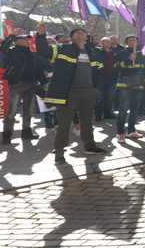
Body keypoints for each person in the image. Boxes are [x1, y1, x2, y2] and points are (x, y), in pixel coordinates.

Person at [35, 22, 107, 164]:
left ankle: (90, 147)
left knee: (87, 122)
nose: (80, 33)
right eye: (77, 32)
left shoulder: (93, 52)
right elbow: (44, 51)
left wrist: (96, 88)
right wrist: (41, 35)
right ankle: (59, 153)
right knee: (64, 124)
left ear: (87, 36)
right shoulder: (63, 48)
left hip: (88, 91)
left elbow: (99, 71)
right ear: (71, 37)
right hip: (68, 92)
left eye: (83, 31)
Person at [0, 33, 42, 144]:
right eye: (24, 38)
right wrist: (12, 35)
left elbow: (37, 68)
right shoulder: (12, 51)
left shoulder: (32, 53)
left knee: (28, 111)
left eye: (28, 39)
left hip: (31, 85)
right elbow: (2, 47)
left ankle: (26, 131)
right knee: (12, 111)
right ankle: (7, 135)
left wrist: (42, 82)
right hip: (16, 84)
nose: (28, 40)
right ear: (16, 41)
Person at [114, 35, 145, 143]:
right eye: (129, 41)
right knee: (123, 109)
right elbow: (117, 68)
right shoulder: (121, 53)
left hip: (139, 86)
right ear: (126, 43)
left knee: (135, 110)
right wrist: (128, 60)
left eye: (134, 40)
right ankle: (120, 133)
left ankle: (131, 131)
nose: (132, 42)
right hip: (125, 85)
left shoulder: (143, 55)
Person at [93, 37, 119, 120]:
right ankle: (98, 114)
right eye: (106, 42)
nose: (108, 43)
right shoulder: (97, 51)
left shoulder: (113, 53)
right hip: (100, 78)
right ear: (101, 43)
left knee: (109, 96)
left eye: (109, 42)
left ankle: (107, 113)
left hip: (111, 78)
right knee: (99, 97)